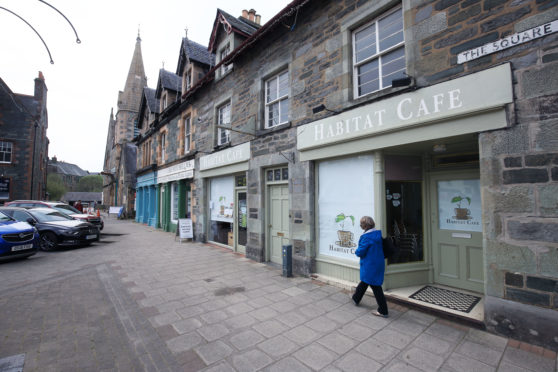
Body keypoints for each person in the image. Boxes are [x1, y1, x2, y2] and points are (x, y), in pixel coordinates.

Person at [351, 216, 388, 317]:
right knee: (365, 281)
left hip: (370, 264)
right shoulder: (376, 234)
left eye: (361, 224)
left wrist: (356, 251)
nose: (360, 225)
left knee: (375, 286)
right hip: (377, 263)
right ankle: (356, 298)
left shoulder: (367, 237)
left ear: (365, 225)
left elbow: (360, 252)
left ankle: (383, 310)